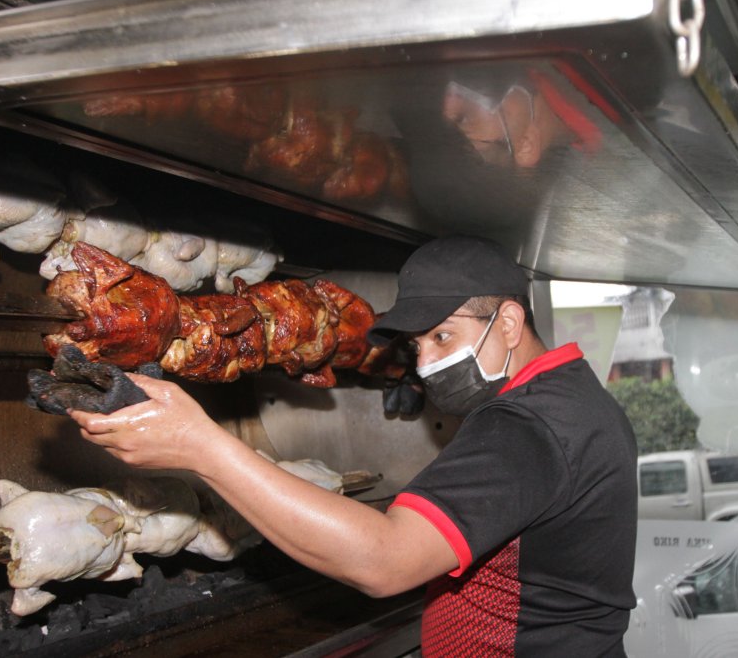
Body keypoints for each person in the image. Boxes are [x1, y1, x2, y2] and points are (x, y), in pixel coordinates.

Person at [69, 235, 638, 656]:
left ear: (509, 323)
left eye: (443, 336)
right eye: (417, 346)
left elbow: (385, 562)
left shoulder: (525, 426)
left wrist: (201, 446)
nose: (428, 364)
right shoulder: (575, 398)